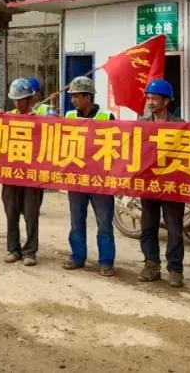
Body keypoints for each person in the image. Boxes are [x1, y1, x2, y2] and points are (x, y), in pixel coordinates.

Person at [61, 76, 116, 276]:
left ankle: (106, 262)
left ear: (88, 96)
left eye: (76, 96)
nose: (73, 100)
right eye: (72, 96)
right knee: (76, 221)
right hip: (77, 179)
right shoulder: (69, 116)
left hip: (100, 181)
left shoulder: (107, 117)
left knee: (104, 223)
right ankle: (77, 257)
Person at [137, 78, 186, 287]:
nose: (150, 102)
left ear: (166, 101)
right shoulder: (142, 124)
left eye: (154, 98)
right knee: (148, 226)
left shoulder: (180, 125)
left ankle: (175, 269)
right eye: (148, 98)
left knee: (174, 228)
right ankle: (151, 264)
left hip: (172, 185)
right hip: (149, 185)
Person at [2, 77, 49, 265]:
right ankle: (13, 249)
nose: (17, 103)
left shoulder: (39, 119)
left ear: (30, 99)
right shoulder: (8, 117)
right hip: (11, 174)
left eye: (21, 100)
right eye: (15, 100)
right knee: (11, 213)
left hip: (32, 176)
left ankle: (30, 251)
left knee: (31, 214)